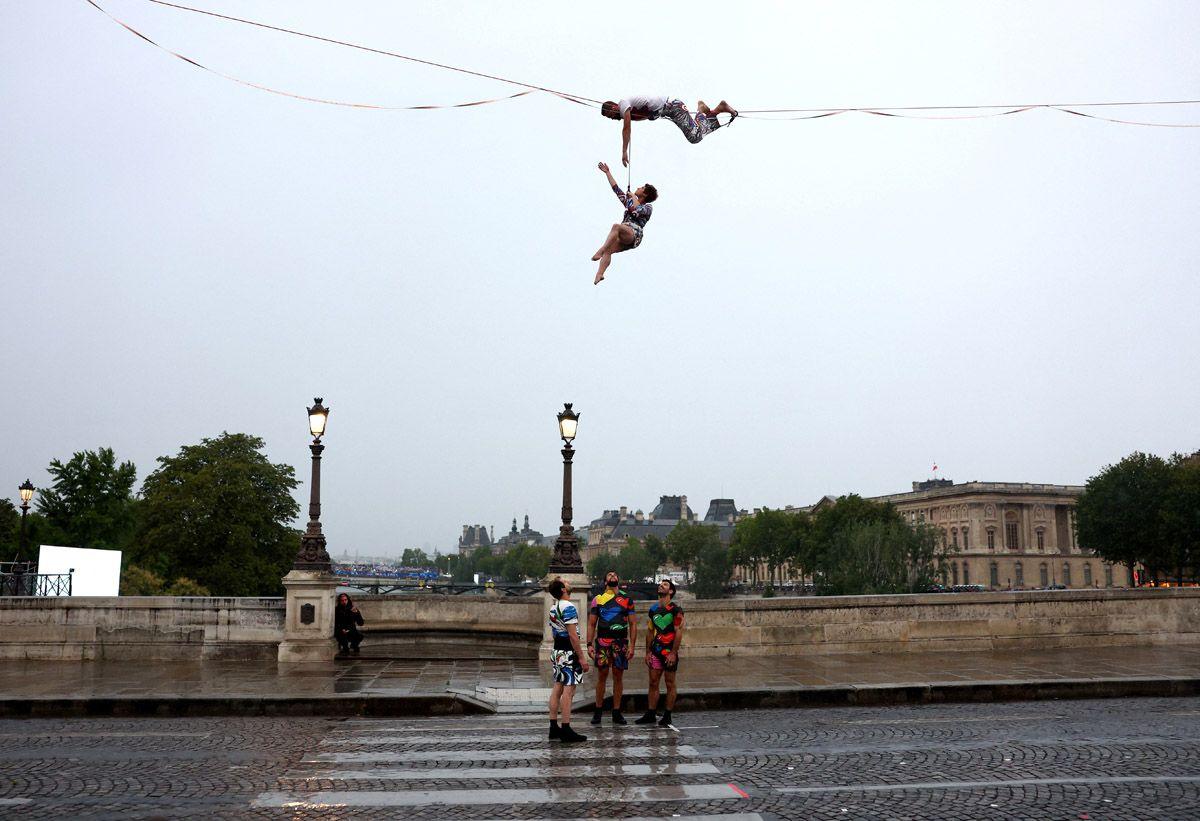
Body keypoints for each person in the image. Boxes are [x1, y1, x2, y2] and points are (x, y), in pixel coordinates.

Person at [601, 96, 738, 166]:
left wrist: (624, 151)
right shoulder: (629, 108)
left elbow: (626, 128)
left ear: (613, 108)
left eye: (610, 116)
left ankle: (705, 109)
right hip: (671, 110)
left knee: (695, 136)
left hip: (673, 107)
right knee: (696, 134)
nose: (613, 119)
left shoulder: (623, 104)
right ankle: (715, 111)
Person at [592, 162, 657, 285]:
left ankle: (601, 250)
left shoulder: (648, 207)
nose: (638, 187)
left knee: (616, 227)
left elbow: (637, 210)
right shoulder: (630, 202)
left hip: (634, 234)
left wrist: (633, 197)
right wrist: (607, 172)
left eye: (641, 188)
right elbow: (616, 190)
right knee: (609, 250)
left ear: (645, 194)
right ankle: (600, 274)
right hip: (626, 235)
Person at [587, 570, 637, 724]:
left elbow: (633, 624)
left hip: (621, 642)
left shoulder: (627, 599)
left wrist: (632, 646)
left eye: (615, 574)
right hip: (603, 641)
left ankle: (616, 711)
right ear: (605, 581)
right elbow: (591, 624)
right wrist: (589, 644)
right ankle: (598, 711)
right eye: (609, 575)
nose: (613, 576)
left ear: (618, 579)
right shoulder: (598, 600)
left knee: (618, 676)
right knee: (601, 676)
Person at [635, 578, 685, 728]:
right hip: (656, 650)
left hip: (669, 651)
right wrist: (648, 652)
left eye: (665, 585)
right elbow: (650, 632)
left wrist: (673, 653)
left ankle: (667, 715)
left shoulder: (676, 610)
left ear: (670, 591)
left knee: (670, 683)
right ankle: (651, 713)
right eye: (660, 584)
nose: (661, 586)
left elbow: (678, 633)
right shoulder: (653, 610)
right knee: (653, 682)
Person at [547, 577, 589, 743]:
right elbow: (573, 635)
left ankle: (553, 727)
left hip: (557, 651)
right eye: (565, 582)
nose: (568, 582)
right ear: (563, 589)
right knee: (569, 691)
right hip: (569, 653)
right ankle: (566, 728)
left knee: (557, 687)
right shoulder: (569, 607)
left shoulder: (553, 607)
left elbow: (556, 633)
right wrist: (581, 657)